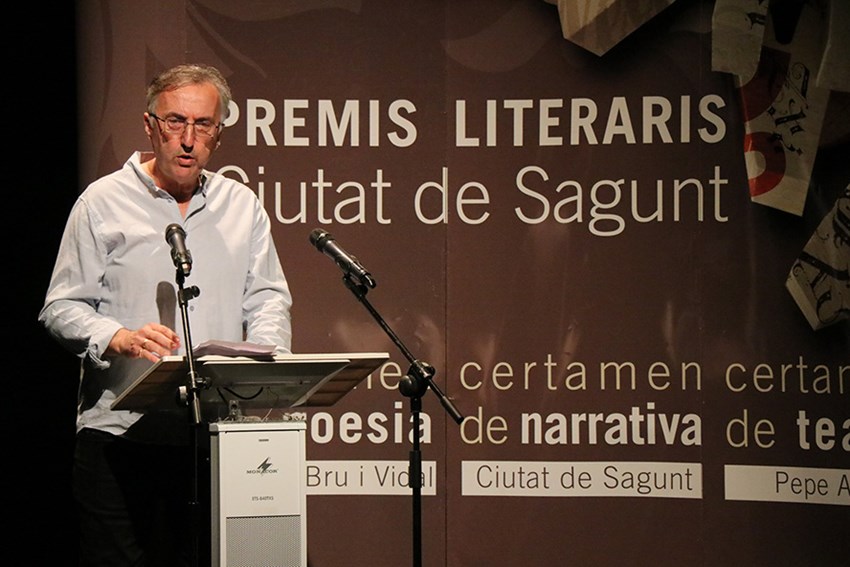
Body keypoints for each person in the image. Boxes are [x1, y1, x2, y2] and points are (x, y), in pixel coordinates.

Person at [39, 63, 293, 566]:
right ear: (150, 125)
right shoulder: (101, 202)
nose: (188, 139)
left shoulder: (241, 205)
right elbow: (60, 306)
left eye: (203, 125)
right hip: (120, 436)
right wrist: (117, 336)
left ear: (219, 134)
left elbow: (267, 298)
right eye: (176, 121)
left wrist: (266, 363)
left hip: (209, 434)